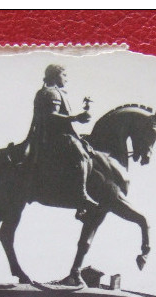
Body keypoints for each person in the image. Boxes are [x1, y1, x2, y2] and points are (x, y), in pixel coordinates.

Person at [25, 64, 98, 218]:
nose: (66, 78)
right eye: (64, 75)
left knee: (84, 145)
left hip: (58, 135)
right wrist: (76, 118)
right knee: (81, 154)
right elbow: (51, 116)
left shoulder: (55, 92)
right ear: (55, 76)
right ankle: (81, 194)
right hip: (52, 137)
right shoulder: (51, 93)